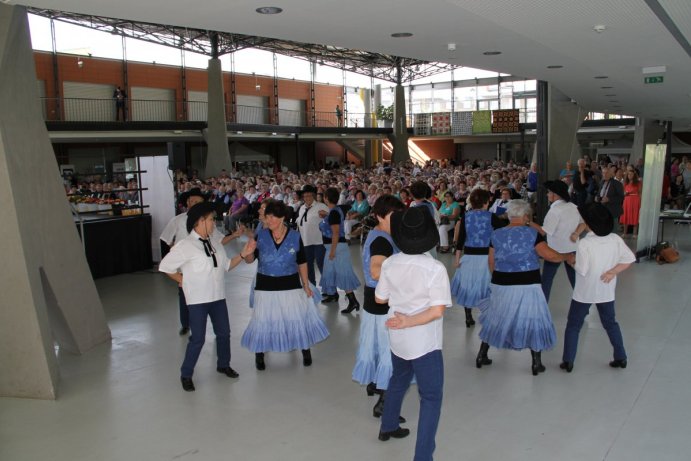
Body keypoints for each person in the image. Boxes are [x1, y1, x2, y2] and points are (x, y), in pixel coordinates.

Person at [375, 206, 451, 461]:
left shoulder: (390, 263)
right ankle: (423, 456)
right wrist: (411, 320)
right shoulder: (435, 268)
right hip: (424, 341)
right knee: (430, 397)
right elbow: (437, 310)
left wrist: (403, 314)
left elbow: (379, 297)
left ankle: (388, 425)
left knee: (399, 377)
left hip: (398, 336)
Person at [159, 202, 255, 391]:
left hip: (218, 297)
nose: (214, 223)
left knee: (224, 333)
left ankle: (223, 364)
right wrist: (182, 280)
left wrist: (243, 255)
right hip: (198, 301)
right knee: (198, 338)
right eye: (211, 219)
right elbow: (165, 266)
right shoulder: (185, 245)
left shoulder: (214, 243)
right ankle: (186, 374)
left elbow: (226, 265)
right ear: (200, 221)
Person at [476, 199, 572, 376]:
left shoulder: (496, 234)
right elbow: (549, 256)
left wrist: (499, 279)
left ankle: (482, 354)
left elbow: (491, 261)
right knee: (533, 318)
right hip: (528, 283)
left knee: (496, 317)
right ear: (526, 216)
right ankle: (536, 363)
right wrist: (567, 256)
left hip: (501, 281)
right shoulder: (532, 233)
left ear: (510, 216)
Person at [240, 201, 329, 370]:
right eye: (268, 217)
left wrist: (306, 285)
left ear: (282, 218)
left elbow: (302, 262)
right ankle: (259, 354)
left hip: (290, 284)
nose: (270, 220)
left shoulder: (295, 236)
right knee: (263, 320)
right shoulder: (261, 236)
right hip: (265, 284)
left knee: (295, 318)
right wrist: (248, 253)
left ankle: (305, 349)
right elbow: (251, 260)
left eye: (274, 216)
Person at [560, 203, 635, 372]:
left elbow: (583, 269)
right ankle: (621, 357)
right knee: (611, 323)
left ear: (589, 224)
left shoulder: (585, 243)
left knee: (573, 325)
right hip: (606, 291)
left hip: (584, 292)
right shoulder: (615, 239)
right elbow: (629, 258)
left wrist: (571, 261)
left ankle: (568, 361)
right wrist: (611, 272)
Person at [159, 189, 243, 335]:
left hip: (203, 266)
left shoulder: (208, 223)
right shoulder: (177, 220)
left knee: (207, 298)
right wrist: (174, 252)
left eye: (196, 202)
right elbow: (166, 239)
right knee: (184, 295)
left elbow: (219, 240)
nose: (192, 204)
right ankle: (186, 324)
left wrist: (234, 235)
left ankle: (214, 327)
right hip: (183, 265)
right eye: (190, 201)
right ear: (186, 202)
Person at [351, 195, 406, 419]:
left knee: (377, 343)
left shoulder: (379, 235)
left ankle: (375, 383)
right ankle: (384, 401)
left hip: (373, 300)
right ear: (380, 216)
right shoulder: (382, 239)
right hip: (383, 301)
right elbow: (376, 270)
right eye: (395, 215)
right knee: (389, 350)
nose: (399, 219)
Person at [451, 189, 507, 328]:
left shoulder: (466, 216)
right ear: (486, 201)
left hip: (469, 257)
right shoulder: (492, 216)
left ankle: (468, 316)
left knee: (468, 286)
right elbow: (503, 233)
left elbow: (461, 239)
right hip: (487, 258)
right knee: (487, 286)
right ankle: (488, 314)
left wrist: (457, 259)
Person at [529, 180, 584, 303]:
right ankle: (583, 305)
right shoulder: (574, 207)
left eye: (549, 192)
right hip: (573, 249)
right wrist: (576, 234)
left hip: (555, 251)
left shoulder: (554, 211)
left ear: (555, 194)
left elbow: (543, 232)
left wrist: (528, 222)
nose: (547, 195)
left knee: (547, 279)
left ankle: (542, 306)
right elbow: (582, 223)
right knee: (575, 279)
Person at [319, 187, 361, 313]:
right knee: (329, 271)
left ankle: (353, 301)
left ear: (326, 198)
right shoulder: (334, 211)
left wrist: (332, 251)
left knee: (343, 274)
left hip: (336, 248)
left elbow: (336, 233)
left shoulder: (334, 213)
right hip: (334, 247)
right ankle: (332, 294)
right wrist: (326, 215)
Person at [296, 185, 329, 287]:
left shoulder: (321, 206)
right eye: (305, 196)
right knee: (308, 267)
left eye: (309, 195)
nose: (307, 198)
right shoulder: (302, 208)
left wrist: (326, 215)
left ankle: (330, 290)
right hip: (305, 242)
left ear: (314, 196)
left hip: (318, 242)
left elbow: (331, 219)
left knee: (322, 266)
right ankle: (312, 288)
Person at [596, 165, 625, 231]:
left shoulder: (617, 183)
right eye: (603, 173)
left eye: (606, 173)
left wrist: (609, 199)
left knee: (613, 231)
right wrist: (597, 198)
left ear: (611, 174)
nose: (605, 174)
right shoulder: (601, 183)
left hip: (613, 211)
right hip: (603, 211)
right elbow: (599, 194)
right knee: (604, 231)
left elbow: (621, 198)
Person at [620, 167, 642, 238]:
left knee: (635, 216)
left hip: (635, 200)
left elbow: (640, 193)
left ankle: (634, 233)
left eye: (631, 174)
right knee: (626, 215)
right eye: (628, 174)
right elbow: (622, 192)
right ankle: (625, 233)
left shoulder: (638, 183)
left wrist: (640, 202)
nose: (629, 175)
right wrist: (624, 194)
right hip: (627, 200)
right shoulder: (625, 183)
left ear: (634, 175)